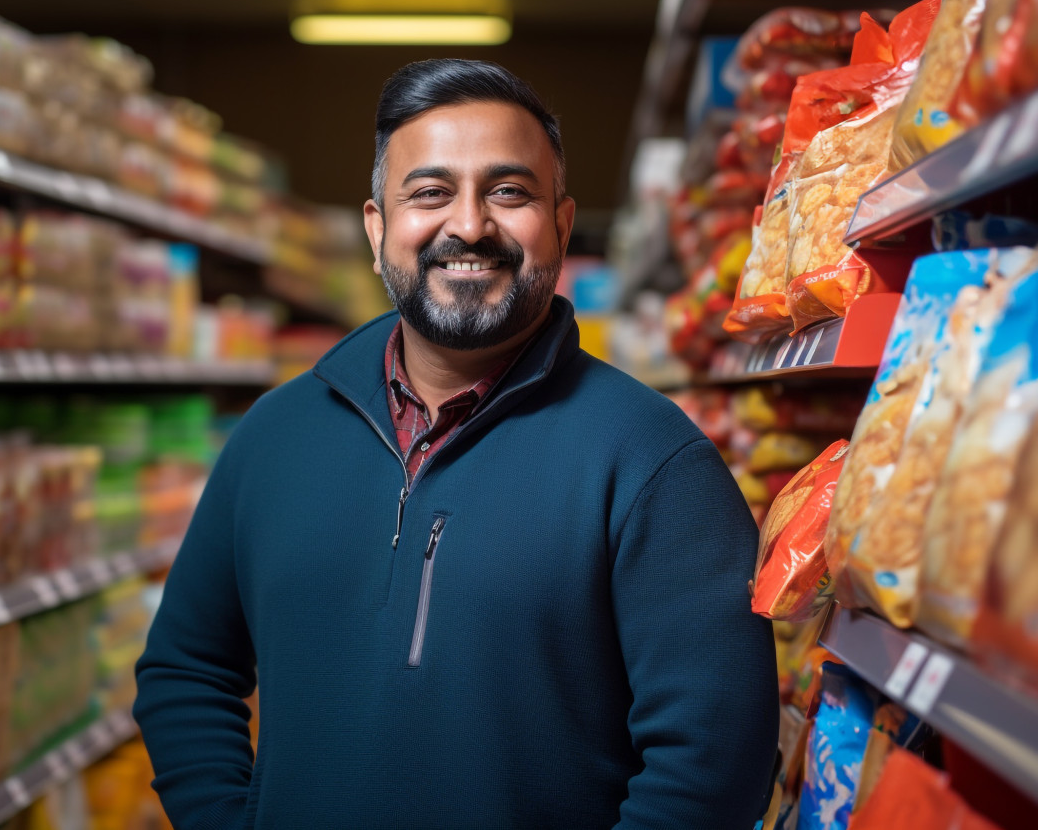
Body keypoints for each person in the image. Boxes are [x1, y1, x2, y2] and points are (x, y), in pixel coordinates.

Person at [134, 58, 779, 829]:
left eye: (508, 191)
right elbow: (185, 669)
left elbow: (713, 761)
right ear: (378, 230)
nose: (469, 225)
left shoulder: (654, 462)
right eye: (430, 192)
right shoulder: (272, 439)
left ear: (563, 226)